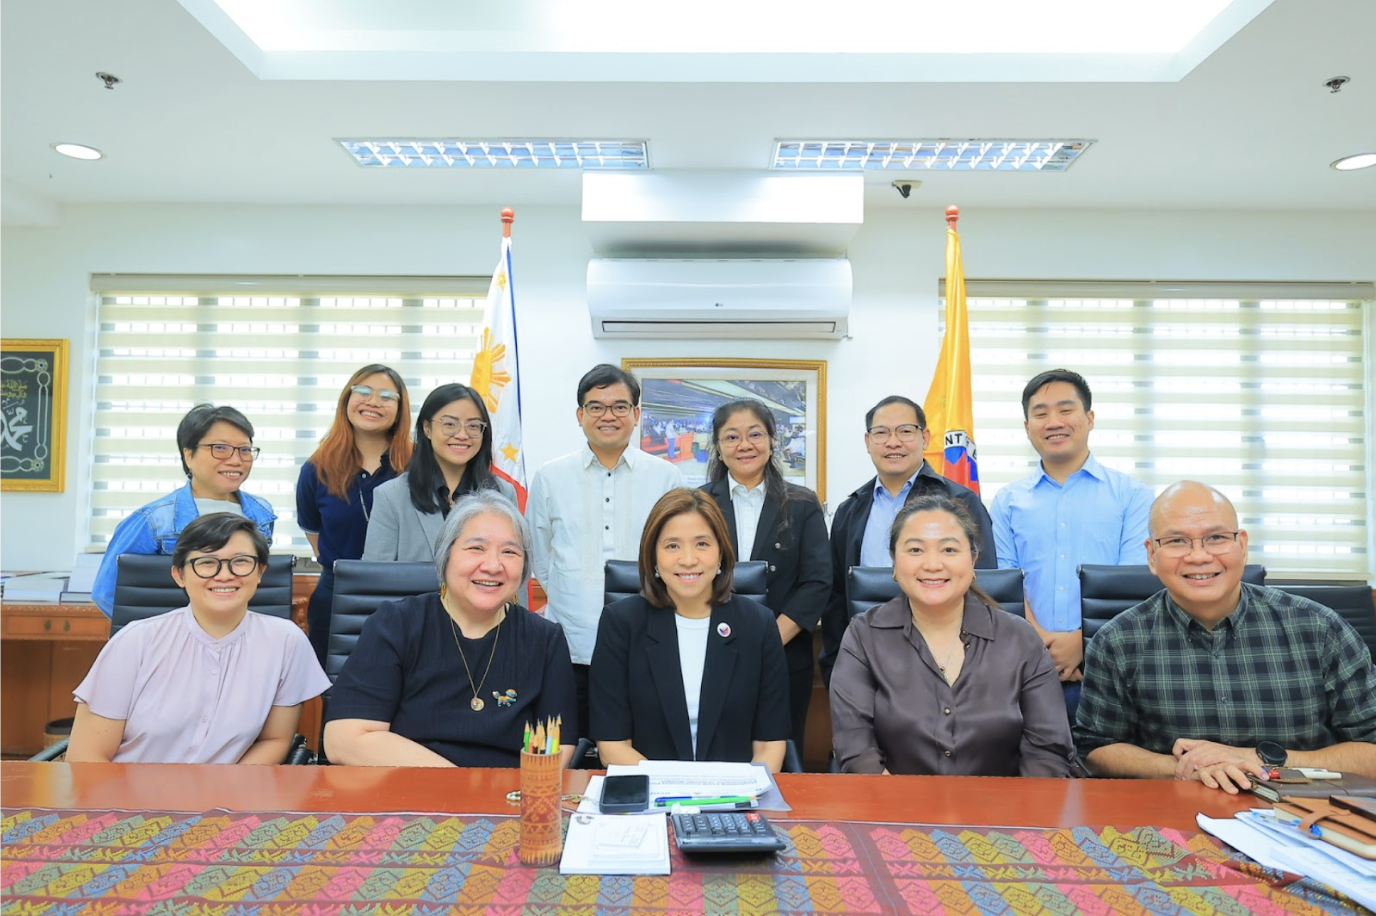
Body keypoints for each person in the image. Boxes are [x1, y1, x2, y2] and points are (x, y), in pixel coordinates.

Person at [1074, 481, 1376, 792]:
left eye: (1216, 538)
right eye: (1177, 541)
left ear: (1242, 545)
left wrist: (1259, 761)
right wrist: (1185, 768)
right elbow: (1094, 751)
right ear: (1152, 555)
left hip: (1302, 814)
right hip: (1176, 814)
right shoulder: (1117, 641)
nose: (1199, 556)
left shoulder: (1321, 629)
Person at [325, 490, 577, 767]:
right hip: (408, 795)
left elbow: (559, 745)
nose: (493, 566)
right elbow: (344, 740)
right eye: (476, 548)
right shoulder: (396, 624)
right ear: (446, 556)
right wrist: (460, 785)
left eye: (509, 552)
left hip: (507, 798)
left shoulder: (545, 639)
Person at [830, 494, 1075, 776]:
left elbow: (1048, 753)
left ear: (973, 561)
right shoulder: (864, 637)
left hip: (1002, 814)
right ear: (894, 563)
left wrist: (1005, 816)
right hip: (896, 812)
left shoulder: (1020, 639)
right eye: (915, 550)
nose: (933, 564)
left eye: (948, 550)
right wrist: (905, 814)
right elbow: (856, 748)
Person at [68, 513, 328, 764]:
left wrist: (220, 793)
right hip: (129, 798)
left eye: (240, 561)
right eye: (206, 562)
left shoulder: (286, 641)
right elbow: (86, 758)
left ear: (260, 572)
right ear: (179, 575)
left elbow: (275, 740)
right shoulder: (135, 642)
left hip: (226, 800)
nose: (224, 575)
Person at [528, 364, 683, 735]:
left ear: (636, 415)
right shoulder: (550, 476)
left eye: (619, 406)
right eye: (596, 407)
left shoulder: (667, 477)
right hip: (570, 641)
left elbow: (676, 553)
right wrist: (569, 592)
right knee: (573, 745)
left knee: (641, 745)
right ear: (580, 415)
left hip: (647, 640)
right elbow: (539, 551)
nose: (608, 416)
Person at [589, 488, 791, 771]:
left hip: (734, 800)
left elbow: (770, 745)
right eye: (672, 546)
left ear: (721, 553)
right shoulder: (621, 623)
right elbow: (612, 748)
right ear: (653, 557)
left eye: (702, 544)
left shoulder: (759, 625)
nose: (687, 559)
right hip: (651, 799)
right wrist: (678, 791)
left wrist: (738, 797)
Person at [990, 369, 1152, 692]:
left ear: (1089, 418)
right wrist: (1039, 644)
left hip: (1115, 668)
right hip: (1026, 668)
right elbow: (1005, 585)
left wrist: (1083, 642)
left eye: (1066, 410)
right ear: (1027, 427)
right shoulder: (1007, 501)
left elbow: (1133, 586)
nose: (1054, 422)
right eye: (1040, 413)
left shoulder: (1132, 495)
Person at [819, 395, 996, 687]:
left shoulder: (960, 501)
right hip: (866, 660)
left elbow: (983, 586)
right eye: (881, 433)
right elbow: (836, 597)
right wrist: (837, 665)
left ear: (924, 437)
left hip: (944, 662)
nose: (893, 442)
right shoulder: (850, 510)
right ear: (867, 441)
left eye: (905, 431)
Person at [700, 398, 829, 750]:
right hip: (706, 650)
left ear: (773, 441)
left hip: (783, 655)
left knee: (781, 753)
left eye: (755, 434)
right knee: (714, 750)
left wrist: (768, 640)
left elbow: (817, 582)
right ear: (719, 447)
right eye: (731, 437)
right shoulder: (697, 504)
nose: (744, 445)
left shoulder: (802, 504)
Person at [91, 404, 275, 617]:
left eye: (244, 450)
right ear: (188, 455)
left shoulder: (261, 514)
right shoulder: (154, 520)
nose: (236, 460)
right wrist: (154, 636)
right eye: (220, 448)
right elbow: (106, 594)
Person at [296, 365, 413, 664]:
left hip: (408, 597)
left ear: (400, 410)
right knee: (336, 696)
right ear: (347, 399)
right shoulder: (316, 469)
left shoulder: (420, 465)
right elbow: (316, 537)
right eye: (363, 391)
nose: (373, 401)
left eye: (387, 396)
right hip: (337, 597)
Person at [363, 383, 516, 562]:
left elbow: (513, 571)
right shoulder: (391, 496)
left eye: (473, 426)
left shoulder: (503, 493)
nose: (462, 435)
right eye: (450, 424)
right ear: (427, 428)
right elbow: (375, 578)